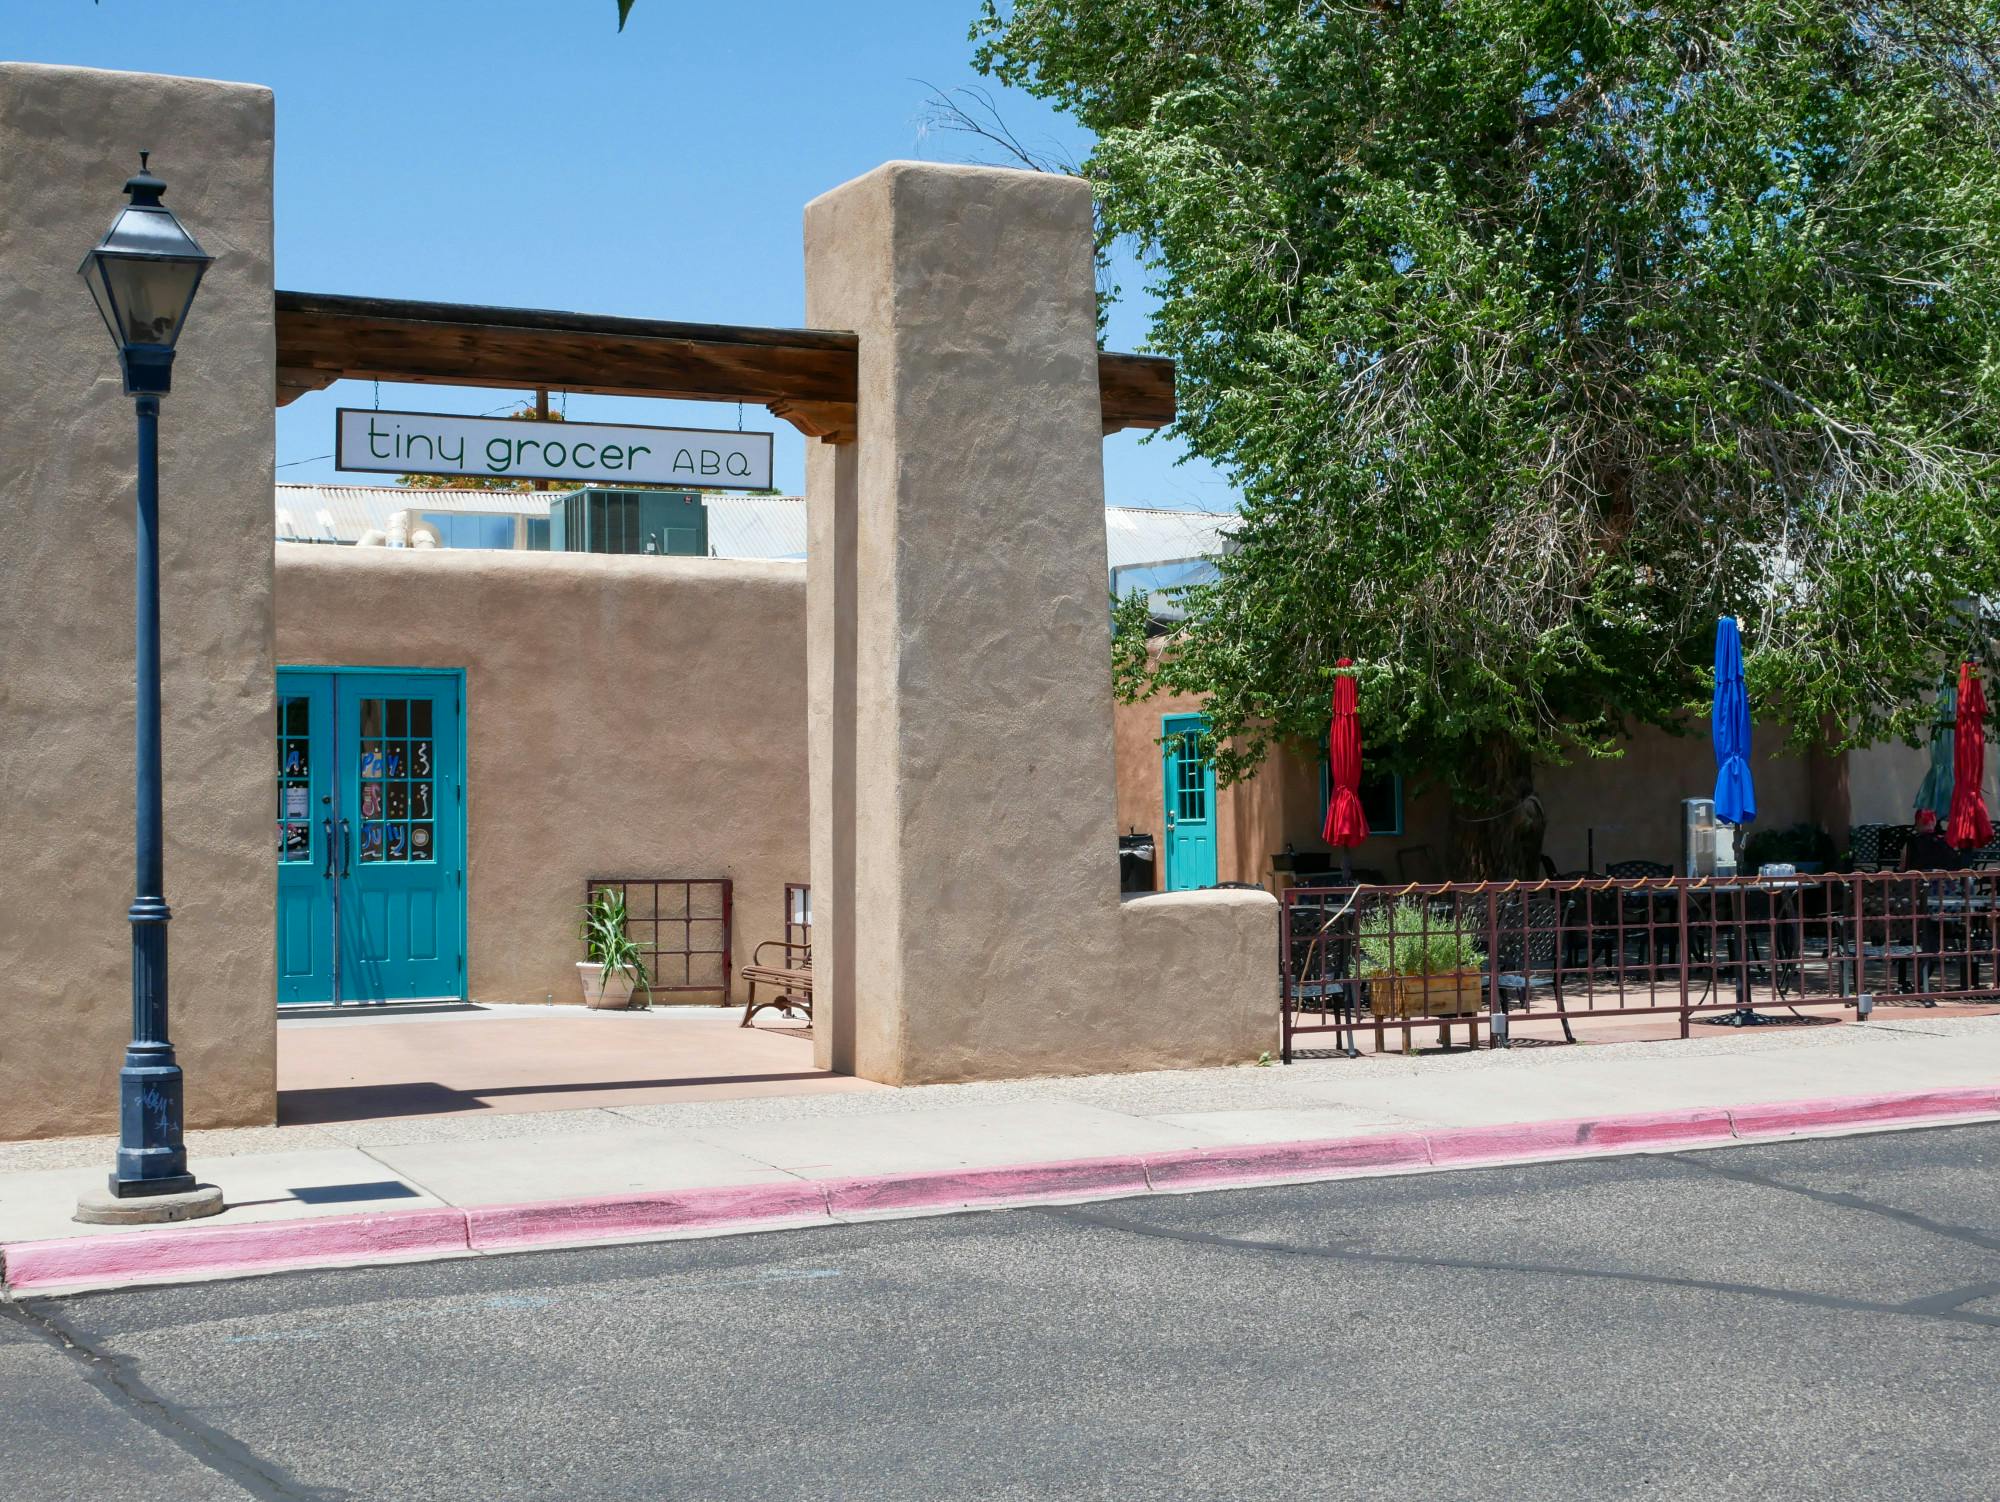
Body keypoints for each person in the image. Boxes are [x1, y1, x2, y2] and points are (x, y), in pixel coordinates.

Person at [1904, 808, 1969, 872]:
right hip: (1945, 879)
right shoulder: (1946, 842)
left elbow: (1904, 867)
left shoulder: (1912, 842)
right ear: (1934, 822)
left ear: (1918, 823)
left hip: (1919, 879)